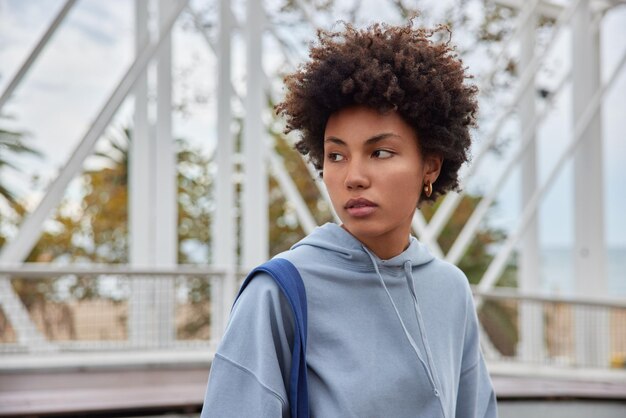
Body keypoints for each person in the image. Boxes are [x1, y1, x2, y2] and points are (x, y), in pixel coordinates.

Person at [201, 21, 498, 418]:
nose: (353, 177)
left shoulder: (451, 291)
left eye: (380, 153)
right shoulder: (279, 292)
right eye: (336, 155)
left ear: (430, 164)